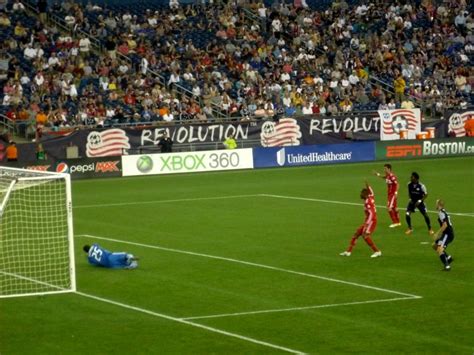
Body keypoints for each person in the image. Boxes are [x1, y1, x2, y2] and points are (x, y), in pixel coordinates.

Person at [340, 182, 382, 258]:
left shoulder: (368, 202)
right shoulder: (370, 197)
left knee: (365, 235)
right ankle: (348, 252)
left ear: (365, 194)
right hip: (369, 221)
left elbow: (372, 214)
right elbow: (371, 191)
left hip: (371, 221)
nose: (360, 194)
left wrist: (367, 224)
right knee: (356, 233)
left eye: (362, 193)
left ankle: (377, 251)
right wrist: (368, 185)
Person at [373, 164, 401, 228]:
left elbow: (397, 184)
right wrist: (377, 174)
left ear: (389, 169)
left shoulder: (392, 176)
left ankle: (395, 222)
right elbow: (385, 177)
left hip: (392, 194)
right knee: (395, 208)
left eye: (385, 168)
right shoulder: (388, 175)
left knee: (389, 208)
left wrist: (396, 193)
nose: (384, 170)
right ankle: (398, 222)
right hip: (390, 194)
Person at [432, 199, 455, 271]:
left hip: (448, 234)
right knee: (434, 245)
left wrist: (437, 234)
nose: (435, 205)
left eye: (436, 203)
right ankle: (448, 258)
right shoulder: (443, 211)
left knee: (439, 249)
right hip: (446, 233)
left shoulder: (441, 213)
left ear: (439, 205)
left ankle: (447, 266)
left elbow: (445, 225)